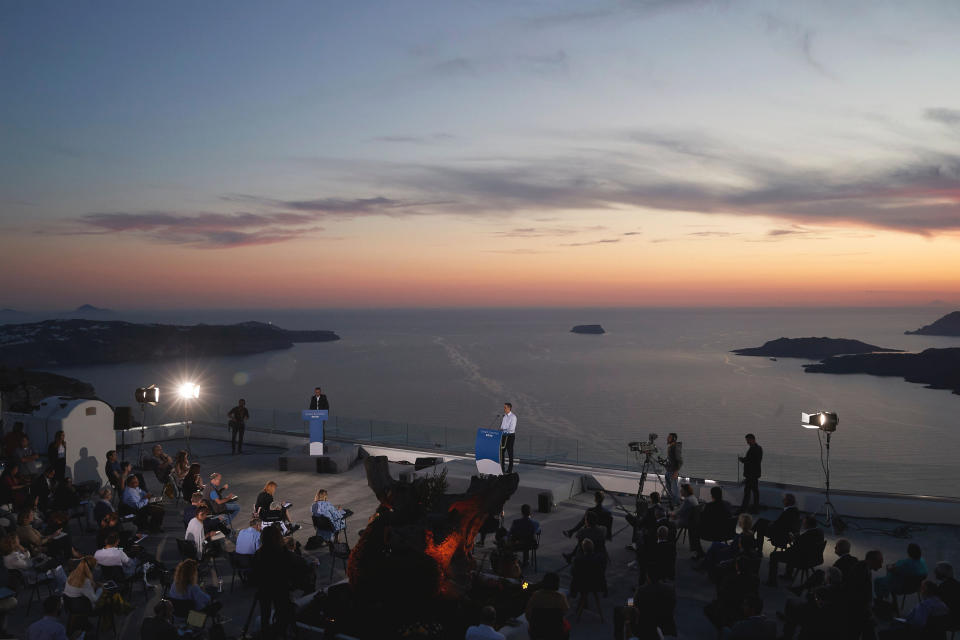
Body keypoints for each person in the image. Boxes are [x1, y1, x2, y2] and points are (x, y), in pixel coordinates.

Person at [253, 524, 298, 638]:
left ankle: (266, 634)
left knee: (265, 614)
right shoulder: (282, 551)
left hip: (264, 588)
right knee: (282, 613)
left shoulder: (259, 553)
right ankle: (280, 633)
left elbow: (255, 572)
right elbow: (291, 568)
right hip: (280, 587)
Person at [766, 514, 824, 587]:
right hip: (814, 557)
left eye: (804, 523)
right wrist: (798, 539)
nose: (803, 524)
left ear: (807, 524)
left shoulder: (807, 535)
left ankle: (772, 581)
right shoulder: (820, 531)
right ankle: (788, 574)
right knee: (791, 550)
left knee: (774, 555)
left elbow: (798, 546)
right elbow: (804, 543)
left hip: (803, 559)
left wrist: (793, 539)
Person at [525, 572, 570, 640]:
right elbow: (565, 611)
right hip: (556, 631)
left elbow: (527, 614)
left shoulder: (536, 595)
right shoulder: (560, 597)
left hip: (536, 631)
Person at [670, 483, 702, 559]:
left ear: (686, 491)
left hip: (685, 521)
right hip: (691, 520)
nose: (680, 492)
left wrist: (670, 513)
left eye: (682, 490)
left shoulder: (687, 500)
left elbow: (678, 513)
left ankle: (670, 543)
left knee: (669, 523)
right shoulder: (693, 497)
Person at [738, 434, 762, 514]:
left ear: (752, 439)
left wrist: (742, 460)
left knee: (747, 492)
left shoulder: (753, 449)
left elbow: (750, 461)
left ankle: (743, 509)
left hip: (750, 475)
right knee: (755, 492)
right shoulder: (759, 448)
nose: (747, 442)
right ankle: (755, 508)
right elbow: (756, 461)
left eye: (748, 440)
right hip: (755, 474)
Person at [663, 433, 682, 507]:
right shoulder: (671, 447)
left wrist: (676, 472)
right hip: (669, 471)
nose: (667, 438)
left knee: (674, 489)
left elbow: (679, 461)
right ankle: (673, 502)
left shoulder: (675, 447)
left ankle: (676, 504)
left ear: (674, 439)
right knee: (669, 488)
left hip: (673, 472)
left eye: (669, 437)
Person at [499, 402, 517, 474]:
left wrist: (504, 430)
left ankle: (510, 469)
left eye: (505, 407)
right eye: (504, 407)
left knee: (510, 453)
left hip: (510, 436)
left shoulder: (513, 417)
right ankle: (502, 468)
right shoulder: (504, 416)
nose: (504, 409)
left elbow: (512, 429)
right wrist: (500, 430)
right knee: (502, 452)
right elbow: (502, 426)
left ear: (509, 408)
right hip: (503, 436)